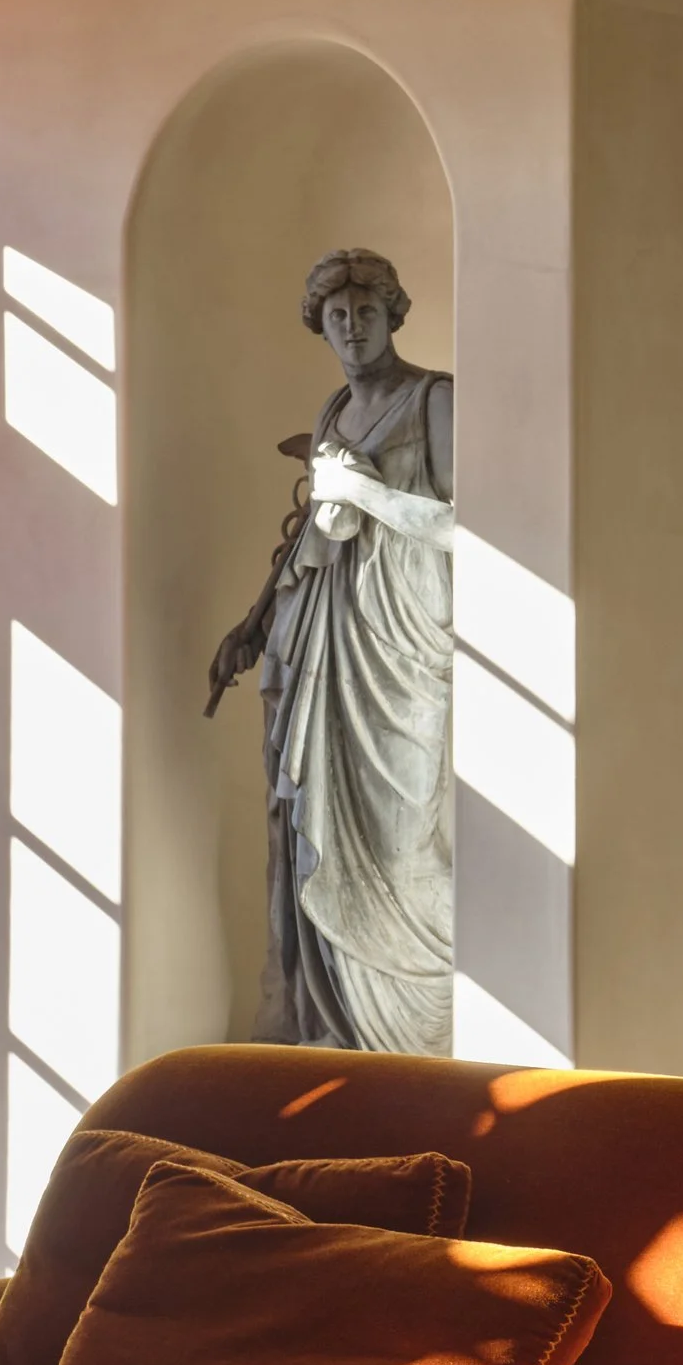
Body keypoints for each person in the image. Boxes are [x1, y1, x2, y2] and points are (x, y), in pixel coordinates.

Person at [209, 249, 454, 1052]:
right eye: (339, 317)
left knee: (400, 829)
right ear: (323, 326)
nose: (353, 329)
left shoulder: (435, 399)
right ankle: (323, 1026)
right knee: (307, 816)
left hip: (401, 642)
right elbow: (312, 530)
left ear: (393, 314)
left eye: (367, 313)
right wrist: (250, 624)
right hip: (319, 634)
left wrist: (369, 493)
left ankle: (413, 1042)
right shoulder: (331, 411)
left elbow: (468, 528)